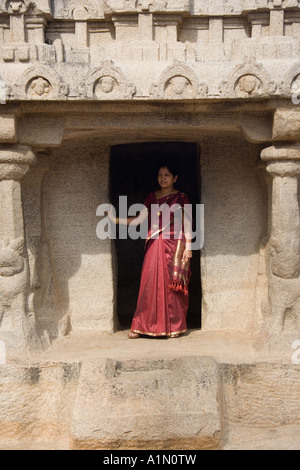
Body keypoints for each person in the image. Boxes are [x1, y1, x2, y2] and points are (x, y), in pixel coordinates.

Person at [107, 163, 193, 339]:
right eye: (160, 175)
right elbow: (139, 220)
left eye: (167, 175)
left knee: (172, 286)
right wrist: (114, 219)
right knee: (149, 285)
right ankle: (142, 326)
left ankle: (173, 327)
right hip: (154, 246)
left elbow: (188, 224)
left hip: (174, 247)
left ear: (175, 178)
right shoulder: (151, 197)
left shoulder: (181, 198)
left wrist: (189, 248)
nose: (163, 178)